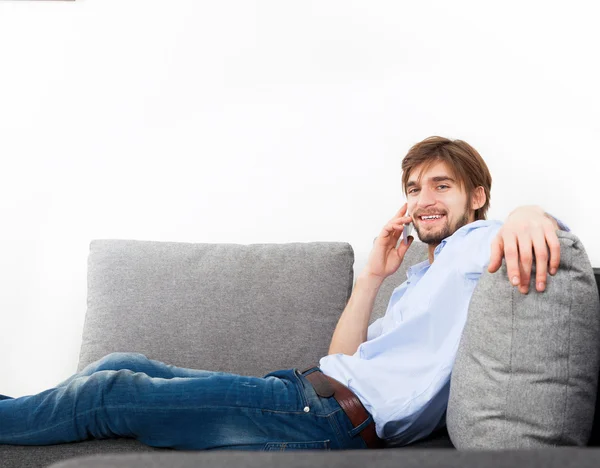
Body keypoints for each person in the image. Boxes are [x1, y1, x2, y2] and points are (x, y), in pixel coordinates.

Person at [0, 136, 566, 450]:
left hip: (329, 420)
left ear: (478, 195)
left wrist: (528, 210)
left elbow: (532, 229)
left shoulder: (480, 242)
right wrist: (373, 277)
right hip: (302, 388)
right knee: (122, 361)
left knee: (110, 392)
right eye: (414, 189)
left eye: (442, 186)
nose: (423, 200)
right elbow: (341, 359)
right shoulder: (419, 276)